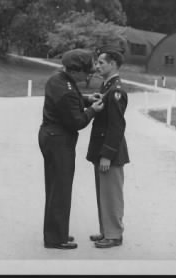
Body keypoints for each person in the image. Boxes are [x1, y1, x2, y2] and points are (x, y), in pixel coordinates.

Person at [38, 49, 104, 250]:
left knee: (55, 187)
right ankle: (56, 239)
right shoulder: (66, 88)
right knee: (61, 189)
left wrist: (86, 99)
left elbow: (72, 98)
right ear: (76, 71)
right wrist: (93, 110)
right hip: (59, 141)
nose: (88, 77)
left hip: (51, 137)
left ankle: (55, 232)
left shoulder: (59, 79)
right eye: (86, 73)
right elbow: (77, 121)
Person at [86, 45, 130, 248]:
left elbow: (116, 125)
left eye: (101, 62)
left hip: (110, 152)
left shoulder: (116, 90)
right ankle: (106, 230)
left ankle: (114, 234)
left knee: (111, 193)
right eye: (97, 62)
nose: (97, 66)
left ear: (113, 64)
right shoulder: (107, 86)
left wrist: (107, 155)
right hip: (102, 148)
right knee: (103, 192)